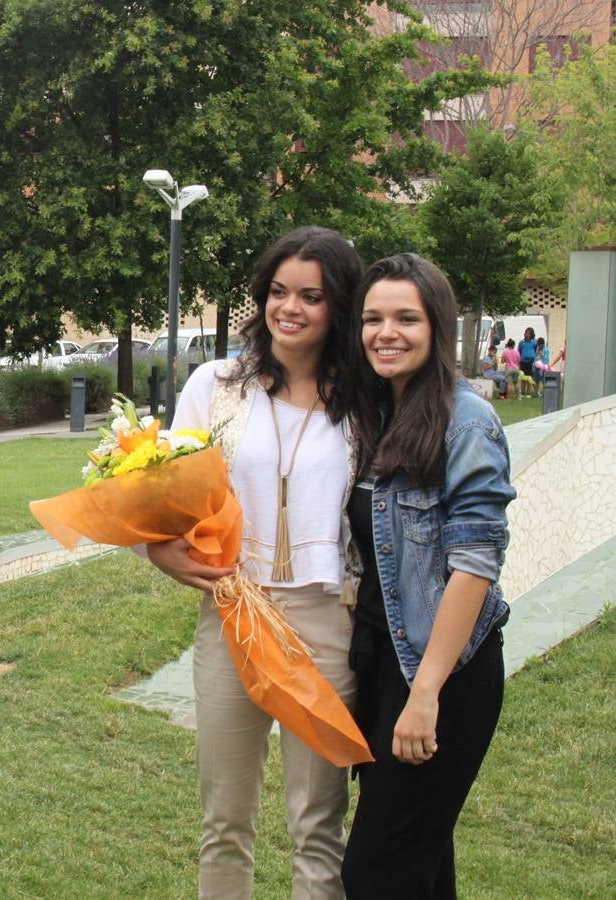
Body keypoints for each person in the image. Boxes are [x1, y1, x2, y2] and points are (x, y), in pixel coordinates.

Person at [146, 226, 365, 898]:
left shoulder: (367, 400)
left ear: (339, 308)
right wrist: (157, 548)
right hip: (233, 611)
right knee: (224, 820)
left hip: (328, 621)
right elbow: (159, 484)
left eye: (311, 296)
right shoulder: (217, 385)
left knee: (318, 825)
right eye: (278, 292)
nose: (289, 308)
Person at [341, 254, 515, 898]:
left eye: (406, 318)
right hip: (385, 666)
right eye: (373, 319)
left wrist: (425, 695)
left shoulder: (466, 422)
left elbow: (475, 564)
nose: (386, 332)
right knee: (423, 863)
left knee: (375, 872)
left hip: (444, 677)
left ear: (436, 326)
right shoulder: (380, 416)